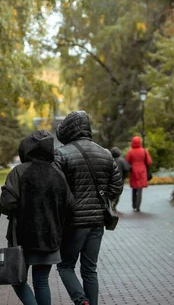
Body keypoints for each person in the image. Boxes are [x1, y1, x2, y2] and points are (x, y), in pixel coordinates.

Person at [52, 111, 123, 305]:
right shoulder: (105, 153)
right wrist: (103, 201)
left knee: (65, 265)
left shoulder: (61, 154)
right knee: (90, 269)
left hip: (73, 222)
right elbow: (117, 186)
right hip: (97, 221)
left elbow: (57, 188)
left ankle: (80, 299)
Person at [0, 130, 74, 305]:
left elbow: (6, 205)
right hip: (50, 237)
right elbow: (70, 205)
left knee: (16, 279)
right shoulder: (58, 174)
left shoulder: (18, 172)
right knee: (41, 281)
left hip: (22, 238)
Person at [125, 136, 152, 212]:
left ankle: (133, 205)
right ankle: (138, 206)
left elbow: (127, 162)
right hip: (142, 171)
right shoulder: (144, 151)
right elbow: (149, 162)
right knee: (140, 189)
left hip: (134, 171)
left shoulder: (130, 152)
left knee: (134, 188)